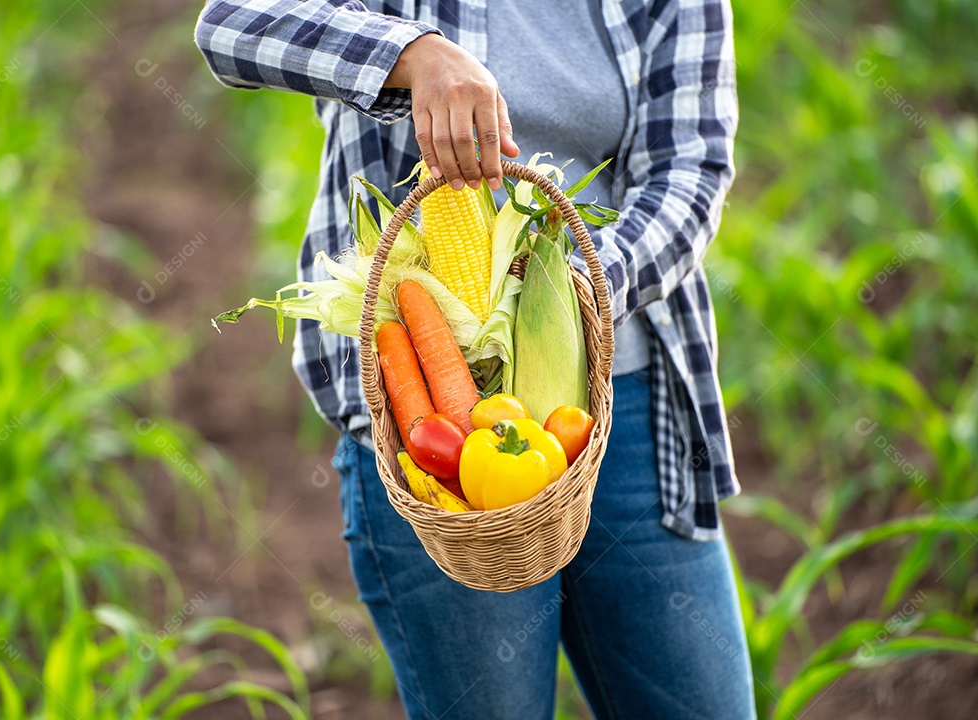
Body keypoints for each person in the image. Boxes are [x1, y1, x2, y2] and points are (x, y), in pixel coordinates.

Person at [195, 1, 755, 717]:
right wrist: (414, 53)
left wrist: (562, 289)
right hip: (432, 426)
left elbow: (691, 170)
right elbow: (231, 24)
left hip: (626, 406)